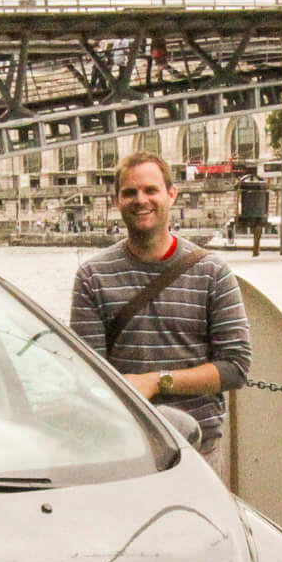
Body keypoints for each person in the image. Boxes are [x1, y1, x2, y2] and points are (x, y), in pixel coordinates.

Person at [70, 152, 251, 477]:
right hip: (123, 451)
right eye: (130, 192)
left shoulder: (212, 272)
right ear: (116, 200)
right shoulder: (92, 276)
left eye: (150, 190)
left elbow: (235, 368)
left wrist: (157, 381)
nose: (141, 200)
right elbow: (89, 378)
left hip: (199, 452)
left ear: (171, 194)